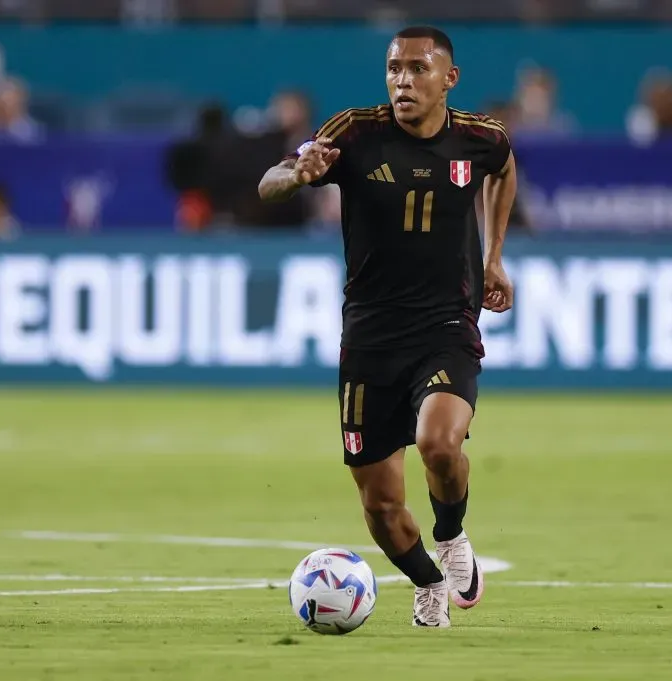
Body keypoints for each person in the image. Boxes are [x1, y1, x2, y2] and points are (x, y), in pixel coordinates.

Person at [257, 26, 516, 628]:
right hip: (370, 335)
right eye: (395, 68)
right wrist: (297, 173)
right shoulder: (351, 132)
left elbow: (503, 169)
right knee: (379, 500)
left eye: (419, 69)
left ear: (448, 78)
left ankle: (451, 536)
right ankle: (427, 581)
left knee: (439, 443)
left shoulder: (480, 138)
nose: (404, 80)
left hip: (446, 322)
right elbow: (269, 184)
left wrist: (494, 256)